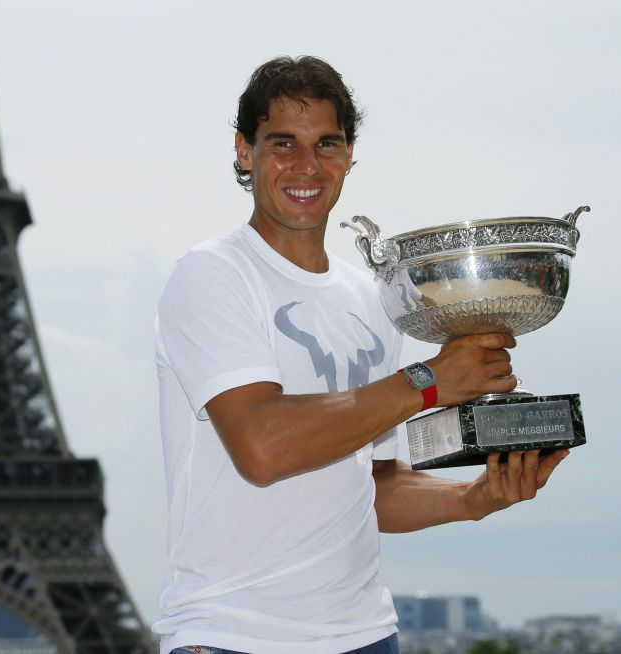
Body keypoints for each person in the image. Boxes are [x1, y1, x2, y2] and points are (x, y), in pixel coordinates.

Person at [152, 55, 568, 654]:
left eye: (327, 144)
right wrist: (429, 381)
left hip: (366, 635)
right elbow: (262, 448)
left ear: (349, 155)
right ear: (244, 150)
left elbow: (368, 487)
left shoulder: (372, 300)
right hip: (231, 635)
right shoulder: (211, 276)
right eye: (283, 143)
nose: (307, 165)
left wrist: (472, 499)